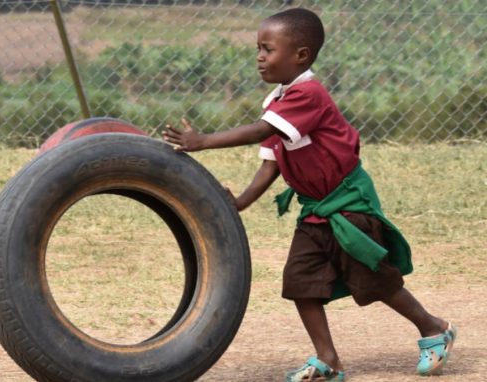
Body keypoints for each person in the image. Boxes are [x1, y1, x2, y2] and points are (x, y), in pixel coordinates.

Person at [162, 7, 456, 382]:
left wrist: (203, 142)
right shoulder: (277, 103)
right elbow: (270, 165)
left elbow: (258, 132)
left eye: (268, 49)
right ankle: (328, 359)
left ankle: (433, 328)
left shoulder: (308, 94)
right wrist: (237, 204)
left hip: (348, 207)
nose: (259, 57)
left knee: (374, 279)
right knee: (301, 282)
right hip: (315, 211)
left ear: (300, 55)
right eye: (258, 48)